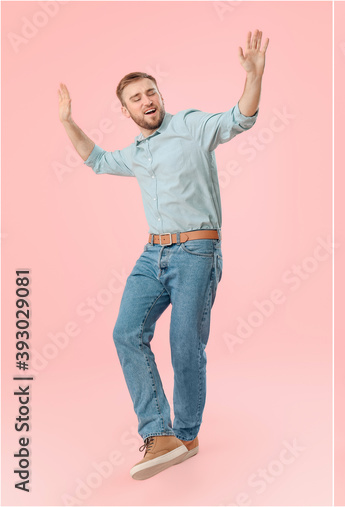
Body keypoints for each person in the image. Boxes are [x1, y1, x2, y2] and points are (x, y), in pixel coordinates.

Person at [57, 30, 268, 480]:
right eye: (136, 97)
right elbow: (95, 160)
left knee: (184, 344)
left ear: (159, 96)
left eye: (150, 91)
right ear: (127, 110)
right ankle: (158, 433)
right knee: (126, 332)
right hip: (152, 256)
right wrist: (67, 122)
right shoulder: (135, 152)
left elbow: (240, 117)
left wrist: (255, 76)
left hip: (197, 251)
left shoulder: (190, 125)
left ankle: (185, 436)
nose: (146, 100)